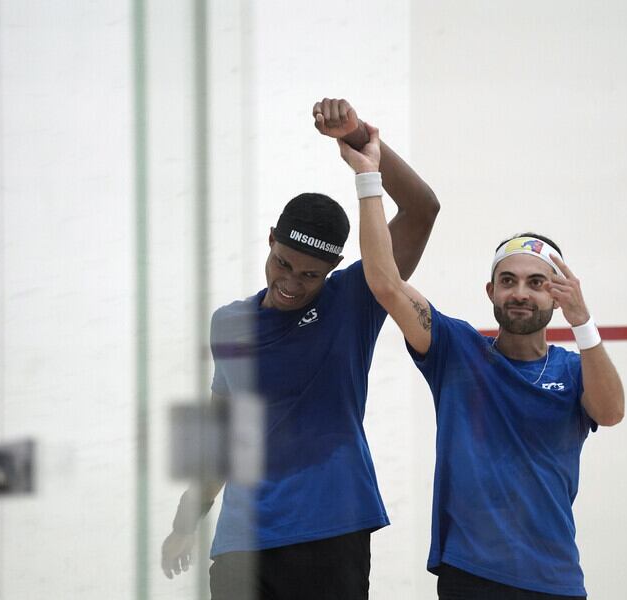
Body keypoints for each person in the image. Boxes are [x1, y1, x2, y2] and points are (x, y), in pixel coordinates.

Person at [160, 99, 439, 600]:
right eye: (282, 263)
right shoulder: (230, 323)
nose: (290, 283)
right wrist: (185, 522)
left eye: (310, 275)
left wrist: (360, 145)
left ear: (332, 270)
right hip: (241, 546)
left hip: (332, 533)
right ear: (270, 240)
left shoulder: (355, 298)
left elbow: (423, 209)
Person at [337, 124, 624, 599]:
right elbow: (385, 282)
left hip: (555, 581)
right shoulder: (456, 351)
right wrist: (369, 176)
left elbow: (611, 412)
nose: (520, 293)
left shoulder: (574, 371)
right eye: (508, 280)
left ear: (555, 296)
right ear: (491, 291)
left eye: (537, 283)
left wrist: (583, 321)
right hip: (469, 578)